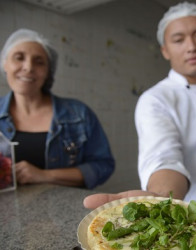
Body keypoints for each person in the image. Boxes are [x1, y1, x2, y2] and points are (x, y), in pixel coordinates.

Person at [84, 2, 196, 211]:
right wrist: (161, 197)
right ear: (165, 50)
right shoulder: (156, 99)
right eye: (178, 39)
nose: (191, 46)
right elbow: (163, 157)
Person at [0, 28, 115, 189]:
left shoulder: (79, 114)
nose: (28, 67)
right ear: (5, 63)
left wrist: (43, 175)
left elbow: (103, 166)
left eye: (39, 62)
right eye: (19, 58)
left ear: (48, 71)